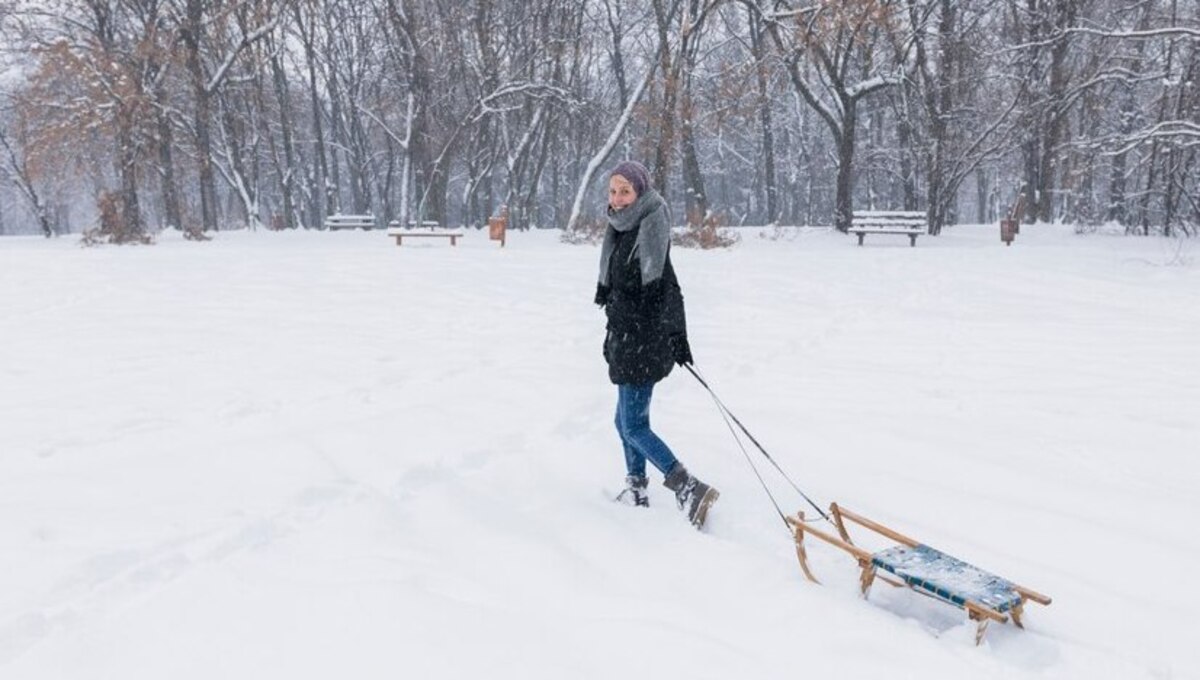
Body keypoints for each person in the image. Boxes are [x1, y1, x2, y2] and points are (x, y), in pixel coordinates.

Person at [593, 160, 719, 529]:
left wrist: (671, 337)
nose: (617, 198)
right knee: (625, 421)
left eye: (625, 191)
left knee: (633, 426)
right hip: (625, 338)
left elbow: (662, 291)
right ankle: (636, 488)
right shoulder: (619, 229)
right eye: (613, 191)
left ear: (640, 192)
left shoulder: (651, 226)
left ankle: (688, 486)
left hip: (641, 342)